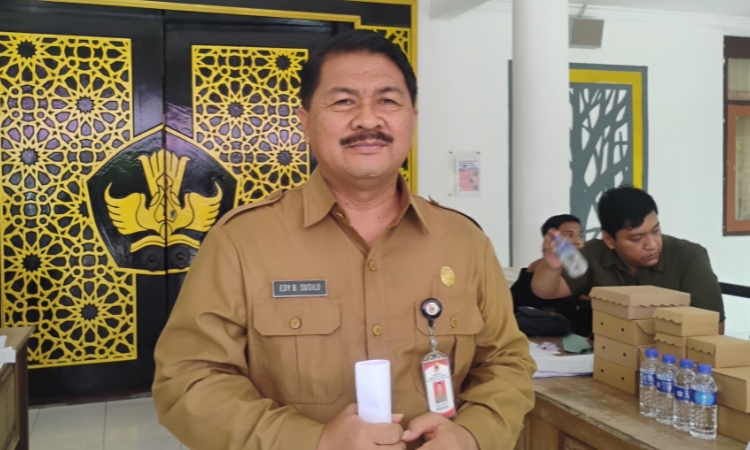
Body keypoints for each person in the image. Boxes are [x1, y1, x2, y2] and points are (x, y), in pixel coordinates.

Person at [152, 30, 536, 450]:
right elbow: (188, 379)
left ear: (411, 119)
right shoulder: (241, 241)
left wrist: (470, 434)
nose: (368, 120)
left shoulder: (464, 242)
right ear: (305, 122)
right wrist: (314, 442)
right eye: (343, 101)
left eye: (387, 101)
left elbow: (506, 362)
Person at [531, 186, 725, 334]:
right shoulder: (594, 254)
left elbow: (714, 328)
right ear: (609, 240)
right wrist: (551, 267)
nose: (652, 244)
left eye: (655, 231)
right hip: (613, 356)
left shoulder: (688, 257)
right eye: (637, 238)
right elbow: (546, 291)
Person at [510, 214, 593, 337]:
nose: (578, 241)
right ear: (551, 239)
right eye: (568, 235)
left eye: (580, 236)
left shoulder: (584, 270)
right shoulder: (537, 270)